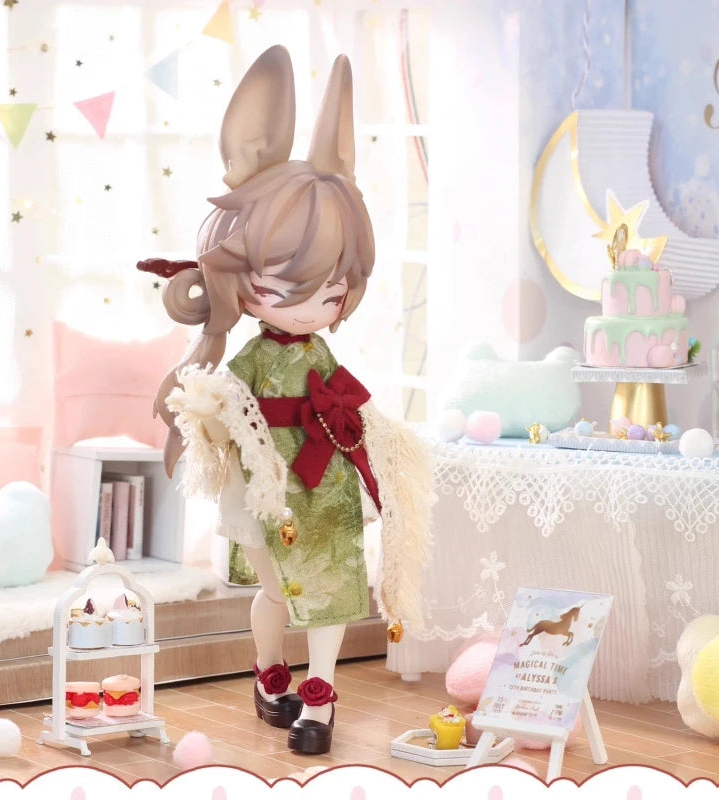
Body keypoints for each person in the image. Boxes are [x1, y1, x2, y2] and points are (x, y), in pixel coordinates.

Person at [143, 45, 430, 756]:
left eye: (333, 289)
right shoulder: (246, 358)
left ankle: (321, 694)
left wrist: (381, 448)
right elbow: (210, 404)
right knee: (274, 590)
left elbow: (348, 406)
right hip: (267, 486)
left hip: (325, 482)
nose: (315, 305)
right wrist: (210, 397)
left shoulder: (320, 356)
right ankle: (270, 674)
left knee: (333, 590)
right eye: (288, 286)